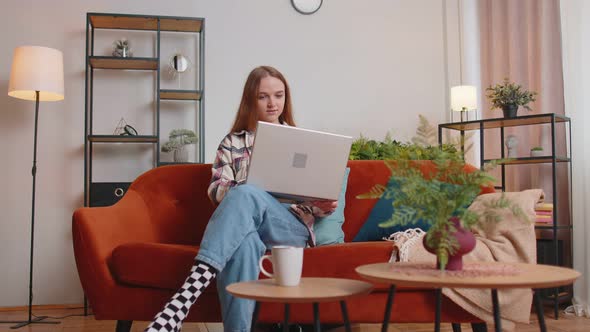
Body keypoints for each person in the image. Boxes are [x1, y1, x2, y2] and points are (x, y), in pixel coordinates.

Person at [145, 66, 338, 332]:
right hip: (245, 227)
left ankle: (182, 301)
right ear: (251, 99)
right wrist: (251, 191)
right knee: (244, 241)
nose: (273, 103)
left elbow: (315, 197)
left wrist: (323, 205)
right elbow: (216, 191)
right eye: (263, 96)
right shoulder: (232, 142)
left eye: (279, 95)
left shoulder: (301, 140)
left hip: (288, 228)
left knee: (245, 193)